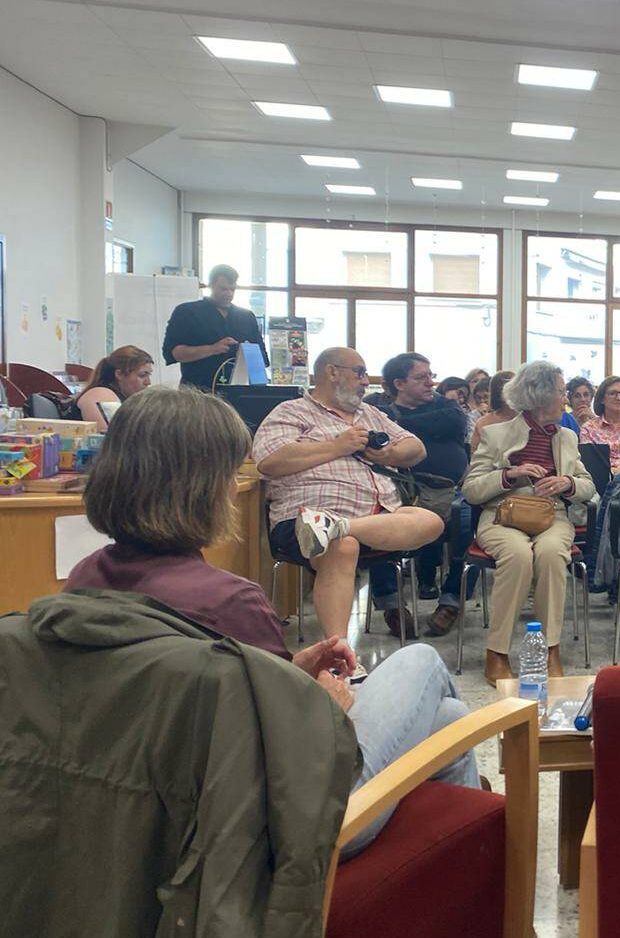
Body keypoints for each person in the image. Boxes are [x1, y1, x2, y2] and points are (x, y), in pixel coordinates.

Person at [65, 385, 478, 857]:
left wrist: (292, 669)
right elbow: (287, 736)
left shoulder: (86, 577)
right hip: (288, 818)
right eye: (229, 474)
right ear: (206, 488)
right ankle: (464, 874)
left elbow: (212, 697)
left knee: (448, 719)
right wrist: (326, 702)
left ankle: (464, 863)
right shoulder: (227, 601)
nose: (234, 488)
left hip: (160, 797)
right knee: (421, 662)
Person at [253, 347, 443, 642]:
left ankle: (336, 527)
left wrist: (387, 455)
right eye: (360, 372)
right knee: (343, 547)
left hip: (379, 517)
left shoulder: (370, 413)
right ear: (332, 372)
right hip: (303, 520)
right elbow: (269, 460)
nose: (366, 381)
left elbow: (415, 448)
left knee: (432, 522)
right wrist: (337, 446)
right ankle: (338, 650)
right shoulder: (291, 411)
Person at [464, 361, 596, 681]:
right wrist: (509, 475)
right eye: (561, 392)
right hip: (501, 515)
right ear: (540, 395)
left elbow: (589, 487)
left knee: (551, 553)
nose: (566, 399)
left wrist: (567, 483)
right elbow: (471, 490)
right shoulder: (495, 433)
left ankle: (549, 649)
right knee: (518, 555)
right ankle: (497, 653)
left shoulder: (567, 436)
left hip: (553, 515)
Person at [370, 352, 471, 636]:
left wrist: (398, 424)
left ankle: (451, 601)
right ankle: (392, 605)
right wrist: (410, 423)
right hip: (400, 492)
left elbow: (454, 422)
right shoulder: (380, 411)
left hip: (452, 491)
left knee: (473, 523)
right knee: (372, 520)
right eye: (421, 377)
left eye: (430, 375)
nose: (430, 382)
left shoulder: (447, 407)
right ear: (399, 384)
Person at [161, 263, 266, 390]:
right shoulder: (187, 312)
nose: (229, 294)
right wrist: (212, 349)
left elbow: (262, 359)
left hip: (239, 392)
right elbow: (175, 353)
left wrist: (246, 352)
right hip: (197, 391)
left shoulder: (247, 317)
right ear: (210, 285)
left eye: (233, 289)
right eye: (223, 289)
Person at [75, 345, 154, 430]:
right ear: (119, 374)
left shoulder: (123, 397)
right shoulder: (101, 394)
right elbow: (114, 435)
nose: (148, 382)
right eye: (142, 375)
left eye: (148, 375)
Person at [470, 369, 516, 449]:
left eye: (485, 397)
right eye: (479, 397)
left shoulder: (527, 419)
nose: (482, 401)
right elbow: (475, 451)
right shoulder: (483, 422)